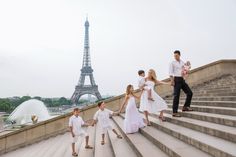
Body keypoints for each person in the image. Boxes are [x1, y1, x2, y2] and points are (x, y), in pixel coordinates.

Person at [169, 50, 193, 117]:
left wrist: (187, 71)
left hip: (182, 80)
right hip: (176, 79)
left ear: (179, 55)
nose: (175, 57)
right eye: (174, 56)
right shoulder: (172, 63)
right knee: (176, 96)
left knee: (190, 93)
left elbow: (185, 71)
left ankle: (185, 107)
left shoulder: (183, 62)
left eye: (176, 55)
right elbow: (170, 73)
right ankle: (174, 112)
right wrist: (172, 81)